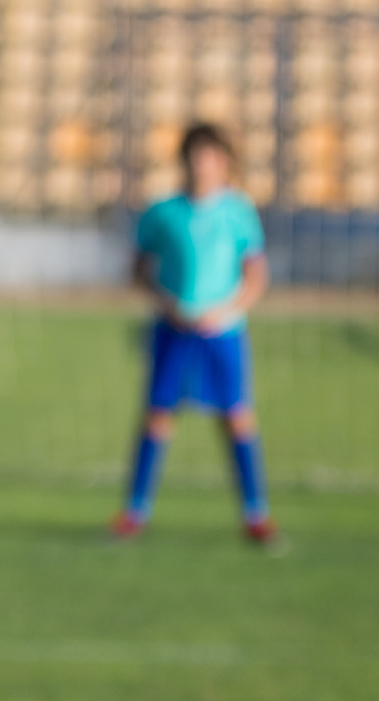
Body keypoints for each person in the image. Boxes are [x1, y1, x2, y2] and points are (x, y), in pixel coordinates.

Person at [113, 121, 282, 550]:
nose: (203, 165)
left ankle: (255, 513)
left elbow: (256, 275)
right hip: (173, 329)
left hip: (223, 334)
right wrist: (167, 304)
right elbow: (138, 269)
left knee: (236, 418)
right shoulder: (163, 212)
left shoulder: (238, 211)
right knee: (157, 416)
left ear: (224, 162)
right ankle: (135, 511)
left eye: (212, 156)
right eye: (196, 156)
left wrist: (225, 310)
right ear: (185, 160)